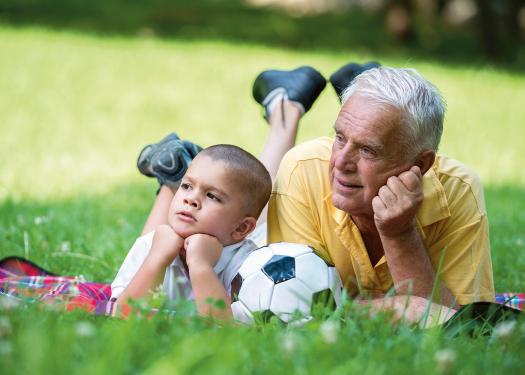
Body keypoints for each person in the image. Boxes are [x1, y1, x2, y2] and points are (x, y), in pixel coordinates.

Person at [254, 63, 495, 316]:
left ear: (420, 164)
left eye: (368, 150)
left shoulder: (458, 190)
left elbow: (460, 325)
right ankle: (285, 105)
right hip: (257, 239)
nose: (340, 163)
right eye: (339, 137)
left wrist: (400, 234)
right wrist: (399, 309)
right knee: (254, 201)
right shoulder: (304, 168)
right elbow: (294, 307)